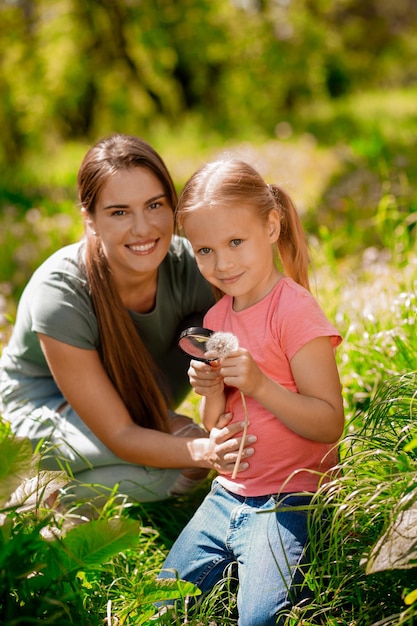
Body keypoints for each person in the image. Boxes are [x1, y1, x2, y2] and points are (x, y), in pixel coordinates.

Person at [0, 135, 256, 505]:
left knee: (181, 456)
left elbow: (265, 332)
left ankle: (53, 492)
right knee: (180, 462)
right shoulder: (59, 292)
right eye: (119, 212)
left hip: (129, 405)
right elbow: (119, 432)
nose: (143, 228)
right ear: (90, 220)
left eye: (154, 205)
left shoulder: (193, 266)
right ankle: (32, 498)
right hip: (39, 410)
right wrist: (206, 451)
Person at [157, 158, 345, 625]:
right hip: (227, 495)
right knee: (157, 604)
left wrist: (260, 384)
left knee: (260, 617)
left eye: (235, 242)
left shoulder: (294, 311)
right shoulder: (218, 319)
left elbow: (329, 422)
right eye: (204, 251)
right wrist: (212, 389)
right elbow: (214, 423)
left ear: (272, 225)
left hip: (290, 496)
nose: (221, 264)